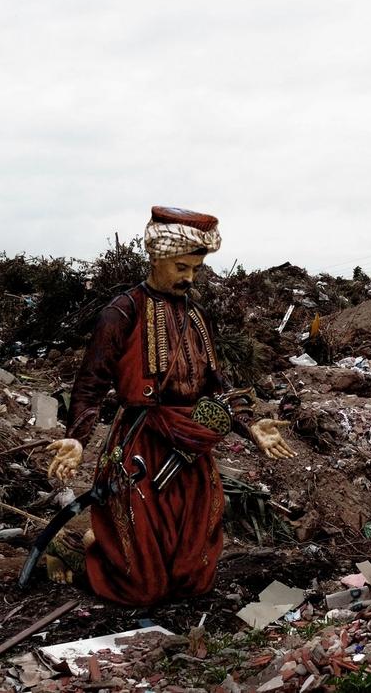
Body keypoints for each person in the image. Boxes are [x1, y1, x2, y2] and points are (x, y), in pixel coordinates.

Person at [44, 206, 295, 606]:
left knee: (193, 579)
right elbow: (90, 385)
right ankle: (75, 548)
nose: (188, 278)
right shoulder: (120, 313)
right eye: (181, 267)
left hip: (191, 444)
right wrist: (76, 439)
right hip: (140, 442)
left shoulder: (197, 315)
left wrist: (249, 424)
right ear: (156, 257)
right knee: (140, 586)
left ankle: (118, 550)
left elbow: (217, 385)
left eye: (195, 269)